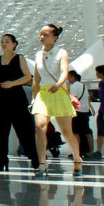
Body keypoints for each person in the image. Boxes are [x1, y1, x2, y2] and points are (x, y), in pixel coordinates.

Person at [0, 33, 39, 172]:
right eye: (2, 41)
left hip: (16, 96)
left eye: (7, 41)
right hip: (2, 97)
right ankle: (2, 159)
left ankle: (34, 158)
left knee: (23, 127)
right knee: (0, 129)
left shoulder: (19, 58)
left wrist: (12, 83)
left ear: (14, 44)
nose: (4, 44)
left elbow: (27, 77)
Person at [31, 23, 83, 178]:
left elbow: (64, 72)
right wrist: (34, 97)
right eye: (41, 34)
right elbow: (36, 79)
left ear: (55, 37)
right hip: (43, 94)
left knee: (67, 131)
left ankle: (77, 158)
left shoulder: (61, 52)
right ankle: (42, 163)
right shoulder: (38, 55)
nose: (42, 37)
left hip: (58, 93)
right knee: (40, 127)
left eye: (46, 34)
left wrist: (58, 84)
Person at [69, 69, 94, 159]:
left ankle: (77, 152)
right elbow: (88, 98)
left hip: (77, 111)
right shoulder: (83, 86)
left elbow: (74, 99)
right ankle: (91, 151)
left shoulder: (73, 86)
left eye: (68, 77)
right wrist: (91, 108)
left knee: (76, 133)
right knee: (87, 132)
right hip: (85, 111)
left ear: (72, 76)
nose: (67, 79)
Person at [95, 65, 104, 160]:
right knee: (100, 132)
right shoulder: (100, 84)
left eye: (97, 72)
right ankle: (98, 151)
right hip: (101, 111)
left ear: (101, 73)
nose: (96, 74)